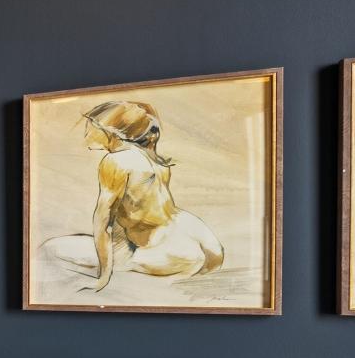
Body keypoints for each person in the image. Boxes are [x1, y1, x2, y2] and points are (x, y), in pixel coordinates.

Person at [44, 100, 224, 292]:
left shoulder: (116, 161)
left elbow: (103, 222)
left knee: (50, 248)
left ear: (110, 131)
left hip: (164, 253)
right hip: (193, 238)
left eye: (91, 126)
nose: (87, 133)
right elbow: (138, 212)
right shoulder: (153, 159)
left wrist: (103, 277)